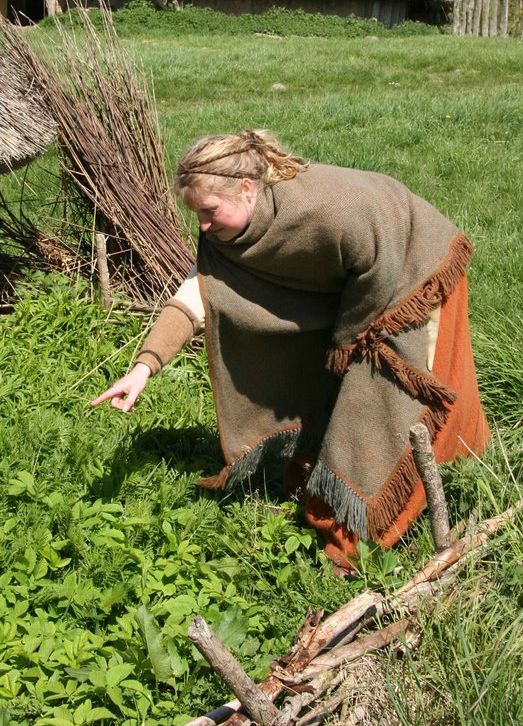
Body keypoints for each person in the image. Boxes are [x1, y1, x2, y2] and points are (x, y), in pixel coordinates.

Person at [91, 130, 490, 573]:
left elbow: (380, 244)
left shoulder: (327, 210)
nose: (202, 226)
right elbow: (196, 298)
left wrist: (348, 342)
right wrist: (143, 369)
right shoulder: (226, 235)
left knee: (389, 400)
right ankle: (329, 480)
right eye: (195, 213)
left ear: (247, 188)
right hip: (357, 278)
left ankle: (377, 525)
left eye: (209, 211)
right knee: (325, 375)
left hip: (410, 266)